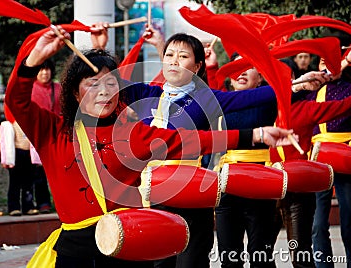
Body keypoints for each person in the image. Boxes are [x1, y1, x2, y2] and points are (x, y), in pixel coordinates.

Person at [5, 26, 293, 268]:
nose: (104, 91)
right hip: (74, 251)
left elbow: (192, 140)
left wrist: (254, 135)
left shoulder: (133, 134)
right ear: (74, 92)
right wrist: (31, 62)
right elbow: (16, 101)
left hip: (129, 244)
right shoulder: (52, 131)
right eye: (93, 84)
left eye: (110, 84)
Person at [90, 23, 329, 268]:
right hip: (152, 195)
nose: (173, 61)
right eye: (169, 55)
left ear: (196, 67)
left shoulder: (205, 98)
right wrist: (99, 48)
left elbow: (256, 96)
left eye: (183, 57)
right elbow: (109, 81)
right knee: (159, 263)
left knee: (191, 263)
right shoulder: (145, 93)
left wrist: (298, 85)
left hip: (192, 193)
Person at [269, 57, 351, 268]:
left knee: (301, 254)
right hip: (270, 186)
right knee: (261, 249)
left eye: (287, 77)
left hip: (303, 183)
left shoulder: (306, 107)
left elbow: (343, 106)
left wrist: (341, 65)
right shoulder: (263, 108)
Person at [214, 52, 278, 268]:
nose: (241, 71)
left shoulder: (268, 99)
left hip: (260, 183)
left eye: (248, 66)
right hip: (227, 186)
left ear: (259, 76)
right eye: (235, 66)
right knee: (229, 257)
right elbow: (199, 89)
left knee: (261, 257)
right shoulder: (221, 101)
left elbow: (289, 89)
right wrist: (212, 66)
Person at [310, 52, 351, 268]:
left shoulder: (349, 88)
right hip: (318, 159)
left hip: (346, 156)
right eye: (322, 62)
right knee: (317, 223)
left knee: (349, 221)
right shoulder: (311, 91)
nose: (326, 67)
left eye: (333, 62)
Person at [30, 59, 61, 213]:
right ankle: (43, 203)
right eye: (41, 70)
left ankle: (61, 202)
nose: (44, 73)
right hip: (37, 136)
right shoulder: (30, 89)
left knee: (60, 172)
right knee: (39, 172)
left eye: (47, 69)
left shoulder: (59, 88)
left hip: (57, 135)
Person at [0, 119, 40, 217]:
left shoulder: (30, 122)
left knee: (29, 182)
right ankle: (14, 207)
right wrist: (4, 159)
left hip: (29, 154)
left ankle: (28, 206)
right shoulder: (9, 124)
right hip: (16, 154)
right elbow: (4, 143)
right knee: (14, 183)